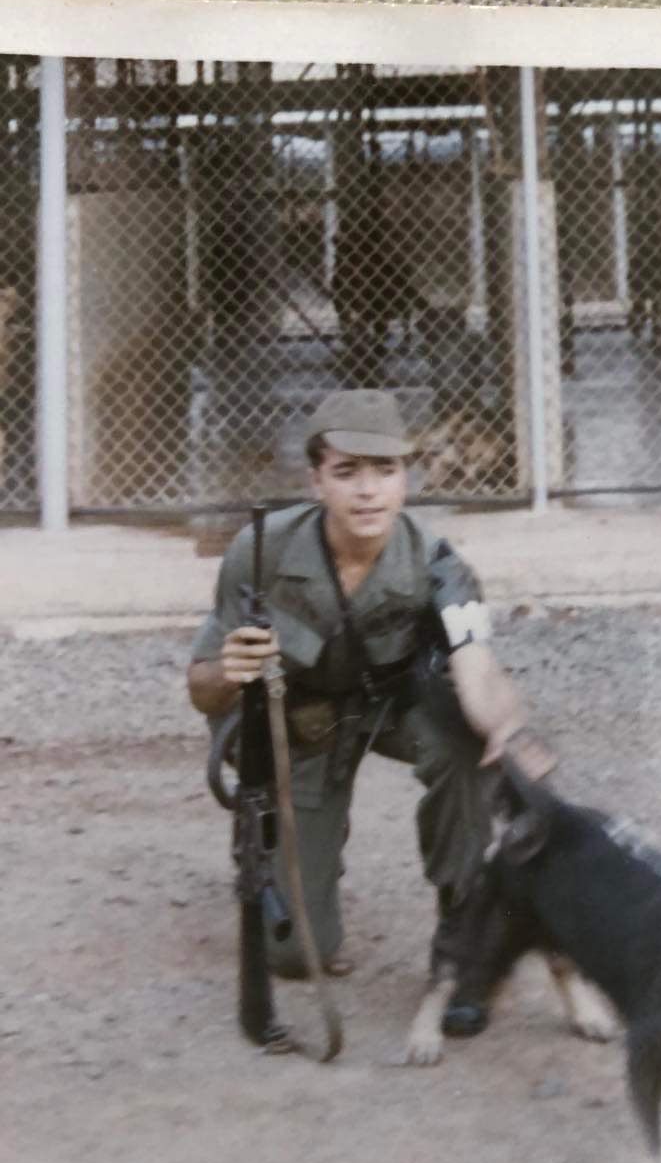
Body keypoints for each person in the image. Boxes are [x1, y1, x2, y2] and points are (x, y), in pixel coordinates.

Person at [186, 387, 554, 1035]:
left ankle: (462, 936)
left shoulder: (436, 562)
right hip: (302, 728)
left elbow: (476, 666)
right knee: (297, 955)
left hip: (392, 714)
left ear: (406, 478)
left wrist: (506, 728)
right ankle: (310, 848)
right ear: (315, 479)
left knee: (468, 743)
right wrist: (228, 671)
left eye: (384, 471)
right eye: (347, 472)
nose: (367, 492)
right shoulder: (261, 551)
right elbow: (200, 686)